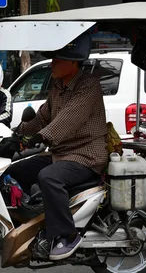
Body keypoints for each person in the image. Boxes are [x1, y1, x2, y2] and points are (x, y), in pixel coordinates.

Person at [7, 32, 108, 261]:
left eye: (58, 59)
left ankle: (66, 235)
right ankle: (31, 223)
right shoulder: (58, 86)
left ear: (73, 63)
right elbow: (42, 117)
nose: (53, 63)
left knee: (49, 177)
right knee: (13, 171)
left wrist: (40, 138)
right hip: (61, 153)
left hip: (86, 155)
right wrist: (16, 134)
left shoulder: (88, 86)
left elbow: (68, 120)